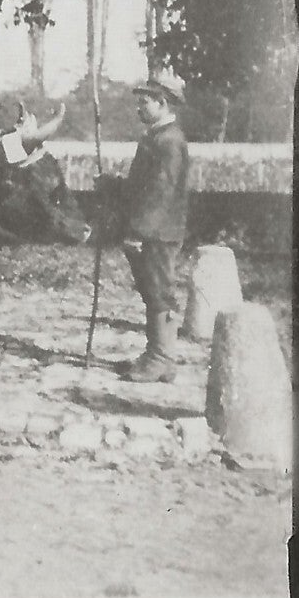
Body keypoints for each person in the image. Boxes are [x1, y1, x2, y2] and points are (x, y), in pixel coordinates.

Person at [97, 74, 190, 383]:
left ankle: (162, 357)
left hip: (158, 232)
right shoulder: (156, 137)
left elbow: (161, 192)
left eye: (144, 102)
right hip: (151, 230)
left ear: (162, 103)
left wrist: (138, 231)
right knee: (151, 290)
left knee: (159, 291)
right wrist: (113, 185)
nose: (138, 107)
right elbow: (142, 187)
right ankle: (157, 354)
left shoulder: (169, 141)